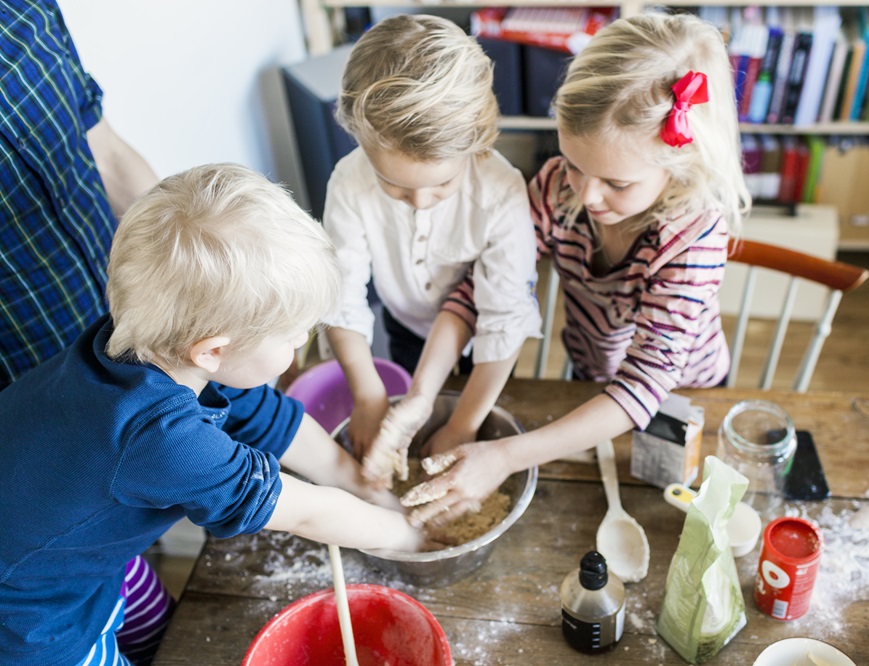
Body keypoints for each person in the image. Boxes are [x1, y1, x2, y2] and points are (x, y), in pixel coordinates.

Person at [0, 164, 422, 666]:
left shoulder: (155, 340)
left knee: (161, 634)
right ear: (212, 351)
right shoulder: (160, 438)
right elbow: (309, 512)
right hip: (33, 619)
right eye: (294, 337)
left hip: (79, 552)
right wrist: (409, 535)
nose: (300, 345)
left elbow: (272, 419)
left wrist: (361, 482)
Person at [400, 12, 752, 524]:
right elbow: (482, 289)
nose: (587, 195)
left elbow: (644, 384)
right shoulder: (555, 188)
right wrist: (425, 397)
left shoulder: (692, 237)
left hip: (684, 397)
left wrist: (503, 455)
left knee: (663, 507)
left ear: (682, 163)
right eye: (573, 163)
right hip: (592, 376)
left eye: (616, 182)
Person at [320, 14, 540, 483]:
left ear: (476, 144)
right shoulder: (349, 181)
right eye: (393, 185)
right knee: (412, 436)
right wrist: (367, 394)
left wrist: (463, 425)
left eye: (442, 184)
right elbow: (340, 297)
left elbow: (504, 320)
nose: (419, 201)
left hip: (490, 351)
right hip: (405, 326)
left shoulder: (500, 193)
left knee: (477, 430)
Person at [1, 0, 159, 391]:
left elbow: (107, 153)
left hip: (131, 317)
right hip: (30, 384)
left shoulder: (26, 8)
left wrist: (194, 264)